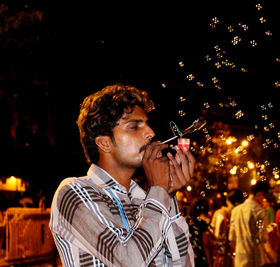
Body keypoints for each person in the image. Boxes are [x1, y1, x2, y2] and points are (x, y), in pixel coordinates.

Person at [49, 84, 195, 266]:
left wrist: (168, 195)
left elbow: (182, 264)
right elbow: (128, 261)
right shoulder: (74, 192)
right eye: (134, 126)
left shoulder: (145, 199)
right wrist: (158, 191)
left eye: (147, 124)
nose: (150, 133)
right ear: (104, 143)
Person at [229, 181, 270, 267]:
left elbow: (232, 238)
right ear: (259, 194)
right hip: (255, 259)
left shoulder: (235, 211)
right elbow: (262, 238)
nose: (263, 200)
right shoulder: (260, 212)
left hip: (239, 259)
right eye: (263, 197)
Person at [210, 189, 244, 267]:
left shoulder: (220, 213)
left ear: (227, 199)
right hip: (240, 251)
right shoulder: (242, 213)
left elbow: (216, 234)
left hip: (223, 252)